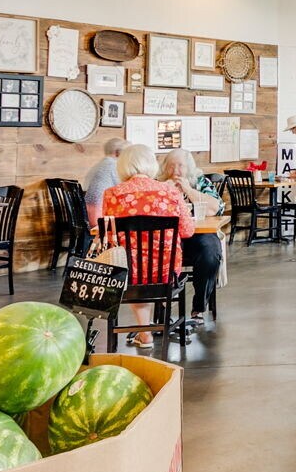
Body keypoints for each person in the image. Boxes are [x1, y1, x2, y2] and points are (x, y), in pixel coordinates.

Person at [100, 144, 196, 347]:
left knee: (134, 267)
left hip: (128, 273)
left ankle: (145, 334)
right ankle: (157, 324)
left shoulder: (111, 195)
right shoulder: (169, 192)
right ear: (151, 165)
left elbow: (108, 235)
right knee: (152, 268)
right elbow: (188, 231)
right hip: (165, 271)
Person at [161, 149, 225, 323]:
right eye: (171, 166)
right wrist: (166, 191)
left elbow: (215, 208)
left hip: (197, 235)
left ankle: (198, 308)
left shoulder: (199, 182)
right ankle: (163, 307)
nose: (175, 171)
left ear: (189, 167)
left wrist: (188, 190)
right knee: (154, 253)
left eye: (180, 166)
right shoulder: (157, 184)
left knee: (210, 253)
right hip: (167, 238)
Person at [82, 136, 126, 224]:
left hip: (87, 212)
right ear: (118, 153)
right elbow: (124, 188)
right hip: (99, 217)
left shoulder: (100, 165)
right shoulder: (113, 165)